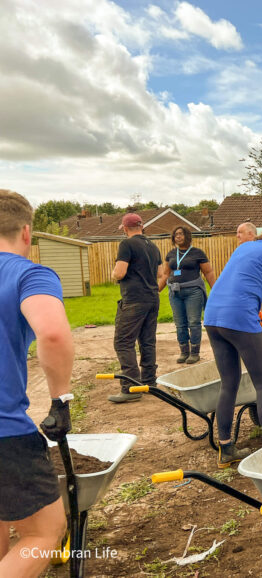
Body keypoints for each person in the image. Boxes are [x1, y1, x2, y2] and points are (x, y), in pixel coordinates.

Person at [0, 190, 74, 576]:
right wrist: (61, 399)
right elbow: (54, 333)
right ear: (27, 232)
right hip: (3, 432)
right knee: (44, 533)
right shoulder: (28, 273)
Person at [203, 225, 262, 468]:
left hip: (213, 316)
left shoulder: (245, 248)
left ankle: (225, 449)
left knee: (229, 382)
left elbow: (242, 282)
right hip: (240, 317)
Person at [109, 213, 163, 403]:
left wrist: (114, 273)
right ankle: (149, 383)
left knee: (123, 342)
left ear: (125, 228)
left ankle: (131, 387)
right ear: (142, 227)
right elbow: (159, 273)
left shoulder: (127, 244)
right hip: (152, 297)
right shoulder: (152, 246)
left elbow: (120, 272)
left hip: (134, 299)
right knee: (147, 341)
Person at [159, 226, 216, 364]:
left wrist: (216, 291)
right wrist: (156, 291)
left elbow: (208, 272)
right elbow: (166, 274)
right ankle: (184, 352)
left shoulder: (197, 253)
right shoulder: (171, 254)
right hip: (175, 292)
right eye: (176, 234)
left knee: (193, 322)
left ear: (187, 236)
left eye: (181, 234)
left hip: (193, 292)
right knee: (180, 324)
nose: (178, 236)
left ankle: (195, 353)